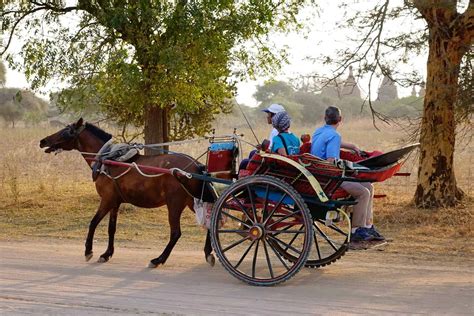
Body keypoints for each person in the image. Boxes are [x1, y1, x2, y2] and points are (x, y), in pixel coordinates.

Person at [310, 106, 385, 243]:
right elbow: (331, 162)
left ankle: (367, 226)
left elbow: (331, 142)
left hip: (317, 173)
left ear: (325, 118)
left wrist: (352, 146)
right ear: (340, 119)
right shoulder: (335, 135)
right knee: (364, 193)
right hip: (328, 178)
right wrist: (349, 169)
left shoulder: (318, 132)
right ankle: (356, 230)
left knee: (369, 186)